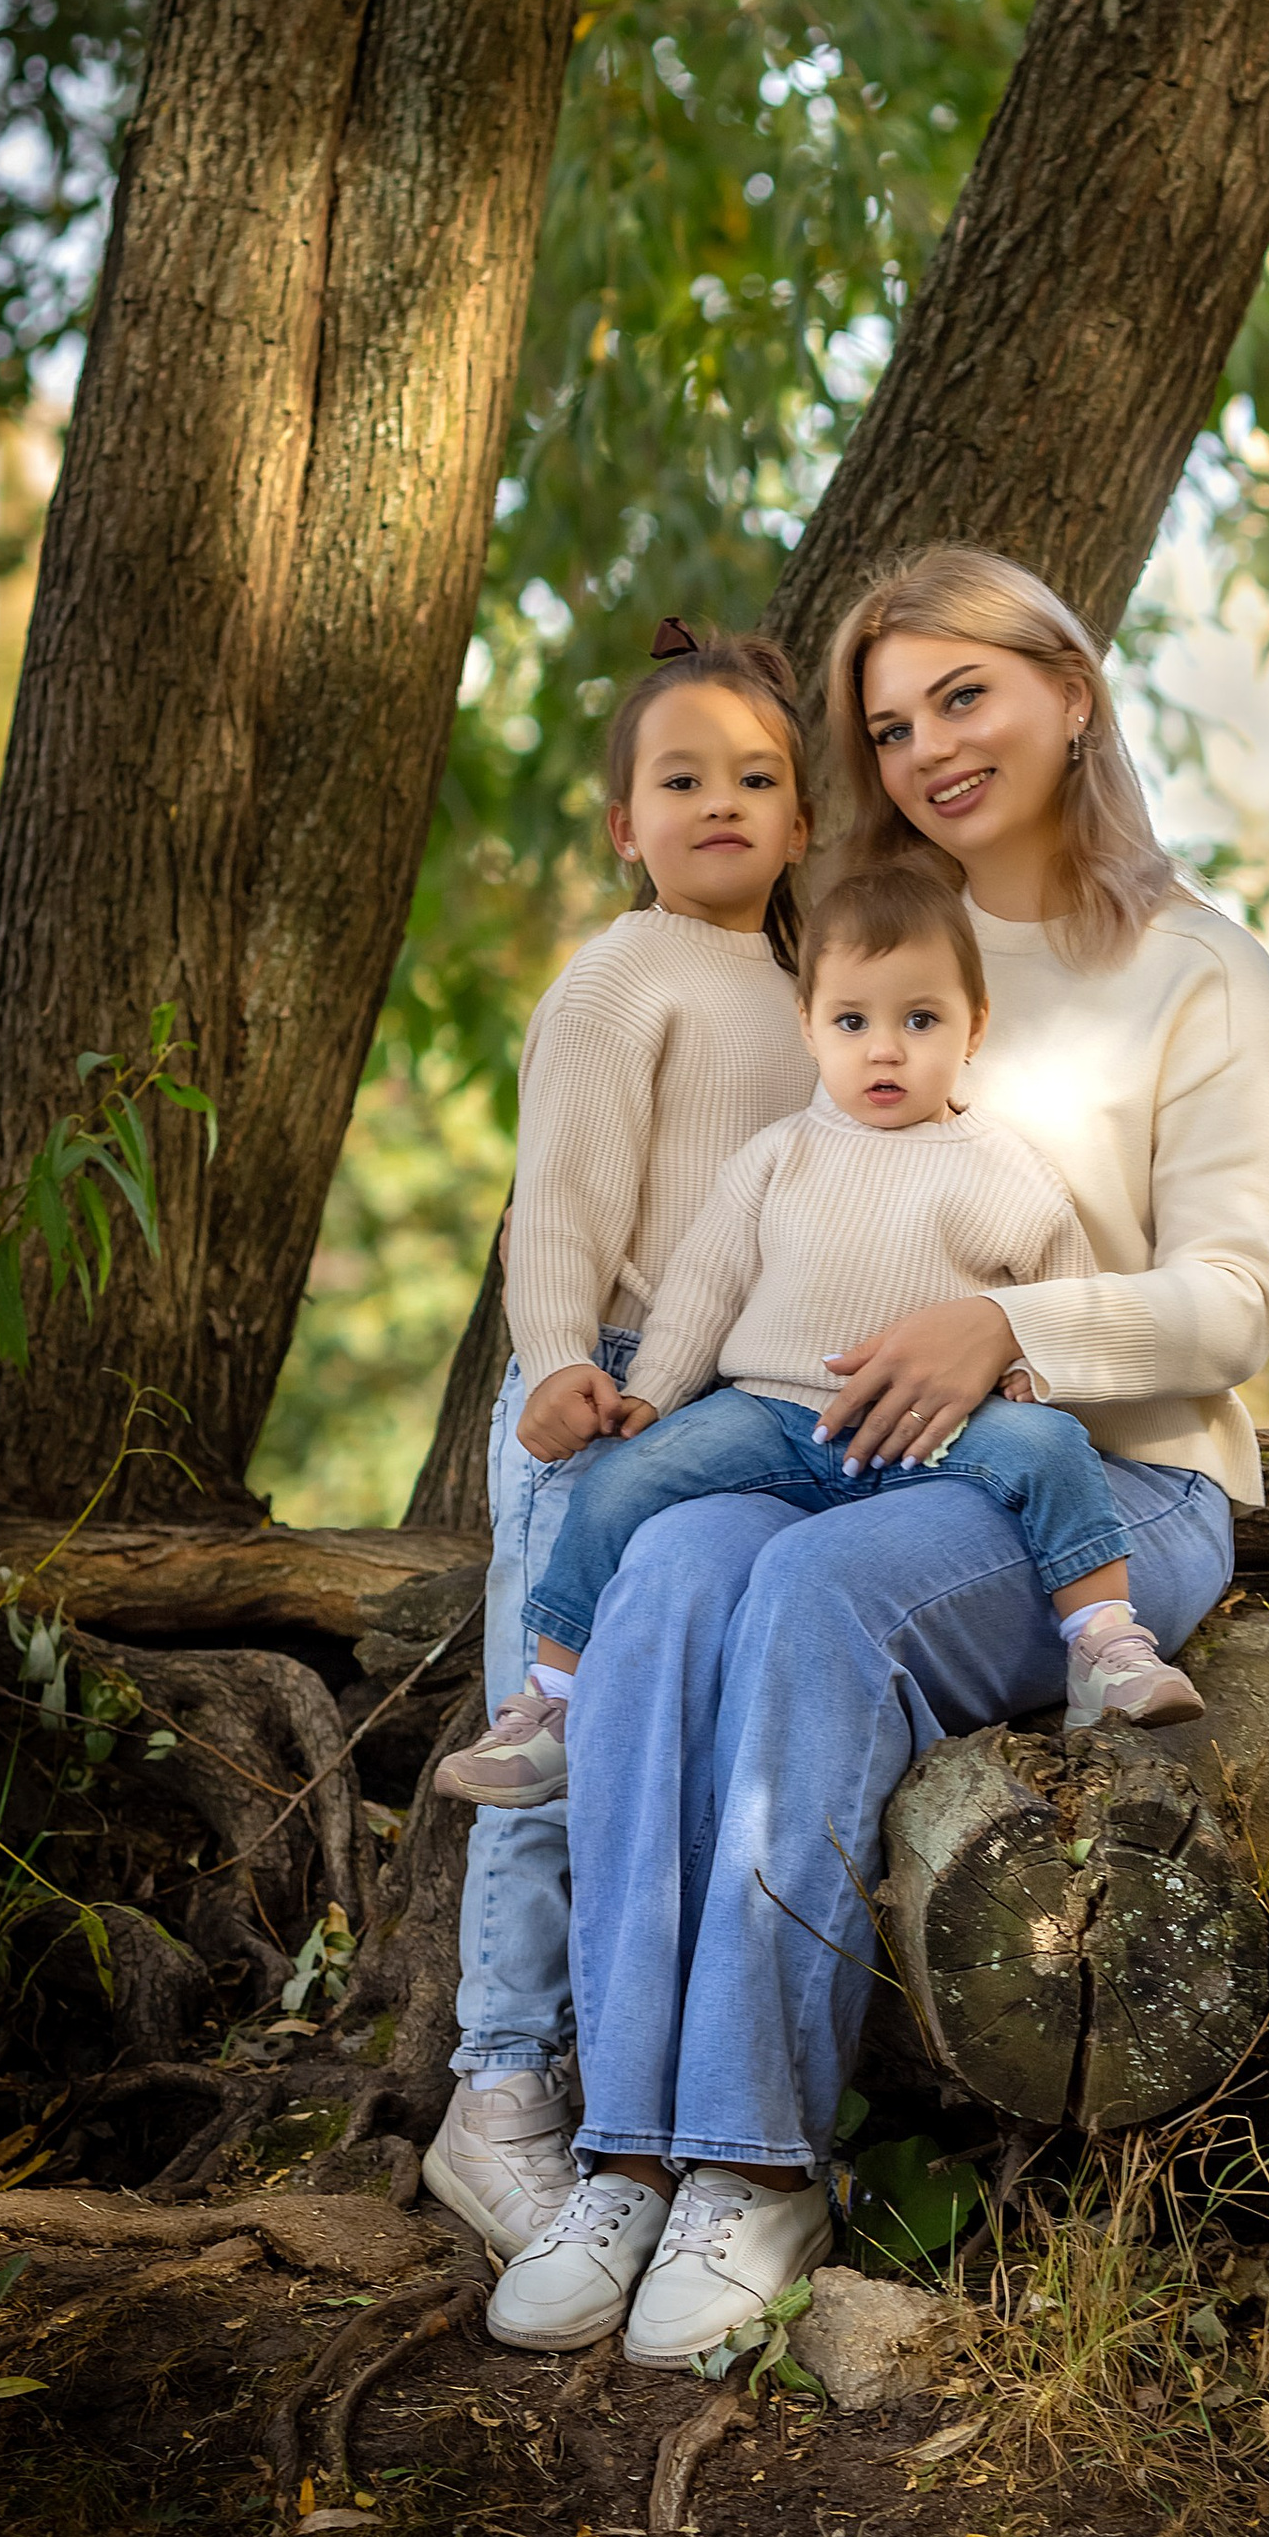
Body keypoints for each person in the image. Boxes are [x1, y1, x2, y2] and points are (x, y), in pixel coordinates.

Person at [484, 546, 1269, 2362]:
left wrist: (1011, 1331)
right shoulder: (849, 938)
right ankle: (621, 2139)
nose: (932, 745)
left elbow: (1238, 1299)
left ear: (1071, 692)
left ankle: (751, 2164)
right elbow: (757, 1222)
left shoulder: (1198, 972)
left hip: (1102, 1489)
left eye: (968, 697)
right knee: (671, 1572)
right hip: (818, 1451)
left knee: (808, 1595)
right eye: (890, 721)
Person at [433, 860, 1200, 1811]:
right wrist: (655, 1397)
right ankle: (551, 1706)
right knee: (620, 1483)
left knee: (1054, 1449)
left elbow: (1057, 1292)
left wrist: (1029, 1373)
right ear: (809, 1027)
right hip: (769, 1415)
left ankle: (1107, 1646)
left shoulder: (1006, 1170)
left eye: (920, 1021)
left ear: (976, 1026)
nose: (885, 1051)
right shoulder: (778, 1156)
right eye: (852, 1022)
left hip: (928, 1430)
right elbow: (705, 1290)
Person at [417, 621, 816, 2266]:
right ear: (622, 826)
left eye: (757, 779)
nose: (721, 803)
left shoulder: (810, 989)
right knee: (547, 1748)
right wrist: (557, 1360)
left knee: (671, 1747)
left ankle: (628, 2108)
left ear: (802, 820)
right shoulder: (624, 974)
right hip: (611, 1394)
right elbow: (564, 1194)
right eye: (682, 779)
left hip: (735, 1408)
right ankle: (491, 2095)